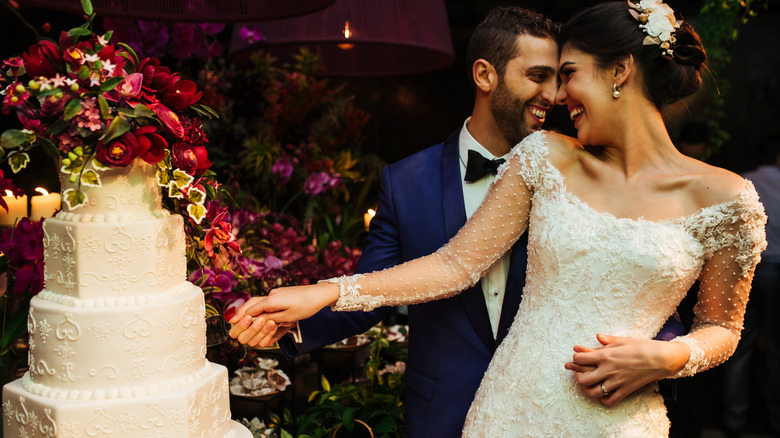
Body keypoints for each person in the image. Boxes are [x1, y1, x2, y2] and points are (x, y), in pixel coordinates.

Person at [232, 1, 767, 436]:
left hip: (619, 422)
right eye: (549, 78)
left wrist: (669, 357)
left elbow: (721, 327)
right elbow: (455, 265)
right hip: (508, 412)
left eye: (569, 75)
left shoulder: (730, 200)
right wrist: (325, 292)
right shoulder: (545, 156)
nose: (558, 97)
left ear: (621, 71)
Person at [236, 8, 561, 436]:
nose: (553, 95)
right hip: (443, 411)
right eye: (538, 76)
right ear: (485, 75)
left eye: (559, 79)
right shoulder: (406, 181)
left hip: (546, 411)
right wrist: (287, 322)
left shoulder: (569, 175)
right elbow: (376, 286)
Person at [720, 140, 780, 438]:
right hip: (778, 270)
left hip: (751, 268)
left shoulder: (744, 182)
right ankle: (775, 420)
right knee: (775, 350)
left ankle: (734, 419)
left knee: (738, 346)